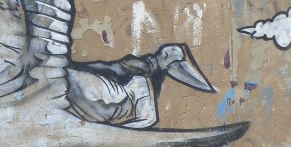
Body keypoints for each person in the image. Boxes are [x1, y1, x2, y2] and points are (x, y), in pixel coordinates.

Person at [66, 44, 215, 129]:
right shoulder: (141, 76)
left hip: (75, 85)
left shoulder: (136, 69)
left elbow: (104, 67)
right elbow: (147, 119)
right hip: (90, 95)